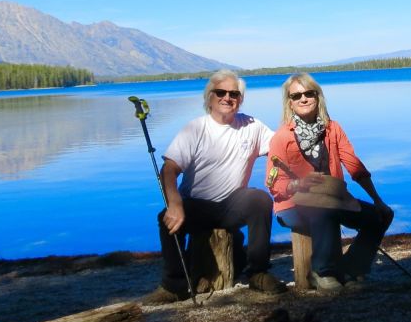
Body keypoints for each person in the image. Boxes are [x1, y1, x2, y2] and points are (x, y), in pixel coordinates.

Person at [144, 69, 287, 304]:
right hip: (196, 205)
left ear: (240, 99)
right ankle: (174, 285)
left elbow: (281, 147)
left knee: (259, 200)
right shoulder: (195, 128)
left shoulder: (252, 126)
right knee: (165, 217)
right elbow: (169, 170)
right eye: (221, 92)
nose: (227, 97)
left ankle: (258, 272)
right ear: (209, 97)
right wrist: (175, 203)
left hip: (232, 204)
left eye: (234, 93)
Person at [266, 72, 394, 293]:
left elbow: (355, 166)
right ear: (290, 102)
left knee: (380, 216)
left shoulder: (333, 129)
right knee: (323, 211)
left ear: (318, 96)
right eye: (296, 96)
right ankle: (322, 272)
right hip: (291, 206)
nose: (303, 99)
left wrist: (377, 199)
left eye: (309, 93)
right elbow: (273, 184)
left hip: (333, 200)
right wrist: (297, 185)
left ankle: (351, 268)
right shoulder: (282, 137)